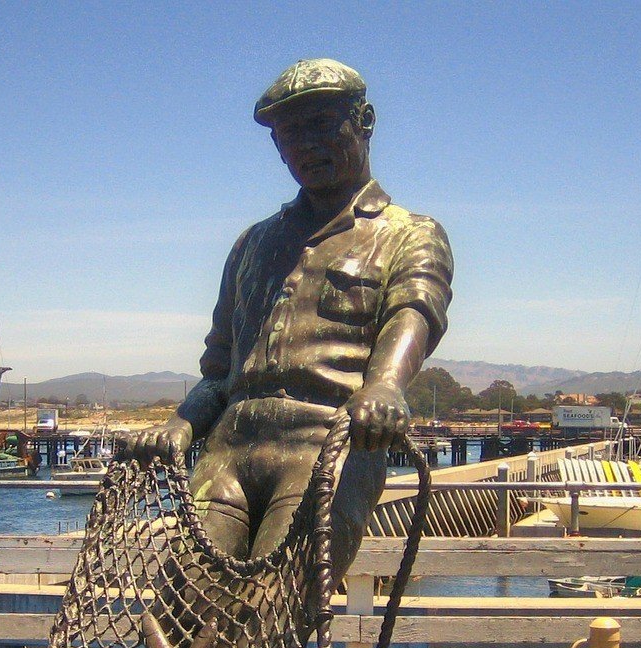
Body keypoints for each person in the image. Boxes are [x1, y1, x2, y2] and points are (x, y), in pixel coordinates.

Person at [121, 58, 453, 577]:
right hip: (229, 449)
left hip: (326, 447)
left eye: (321, 124)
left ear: (364, 121)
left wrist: (385, 385)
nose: (303, 146)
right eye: (288, 135)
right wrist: (180, 423)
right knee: (181, 605)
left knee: (271, 609)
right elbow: (219, 368)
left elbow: (415, 308)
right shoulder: (254, 243)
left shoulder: (409, 232)